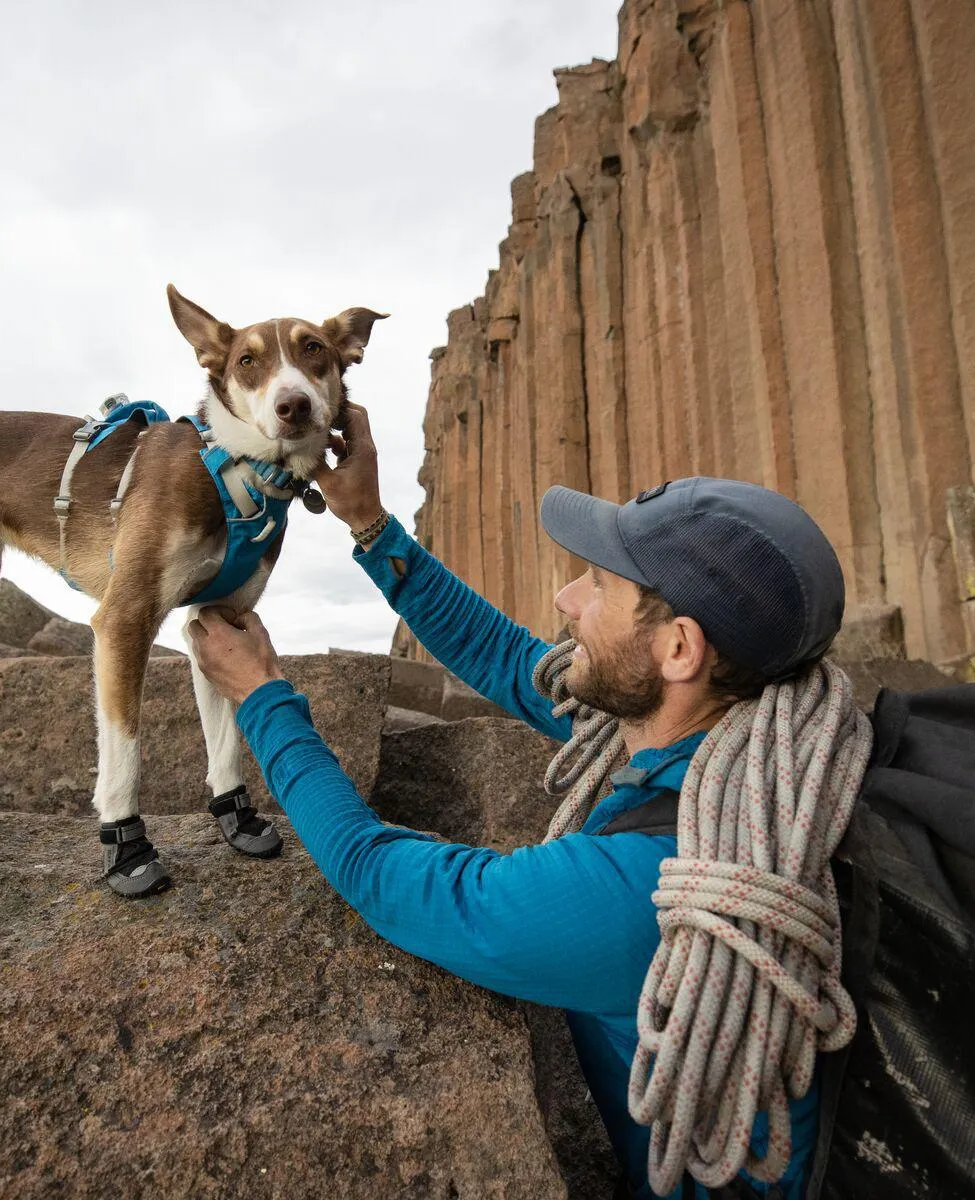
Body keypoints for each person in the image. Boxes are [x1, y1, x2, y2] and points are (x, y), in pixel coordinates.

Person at [187, 403, 853, 1199]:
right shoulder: (769, 748)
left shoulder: (651, 888)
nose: (569, 598)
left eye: (601, 586)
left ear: (680, 649)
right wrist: (369, 526)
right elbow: (513, 663)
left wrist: (260, 696)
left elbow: (381, 874)